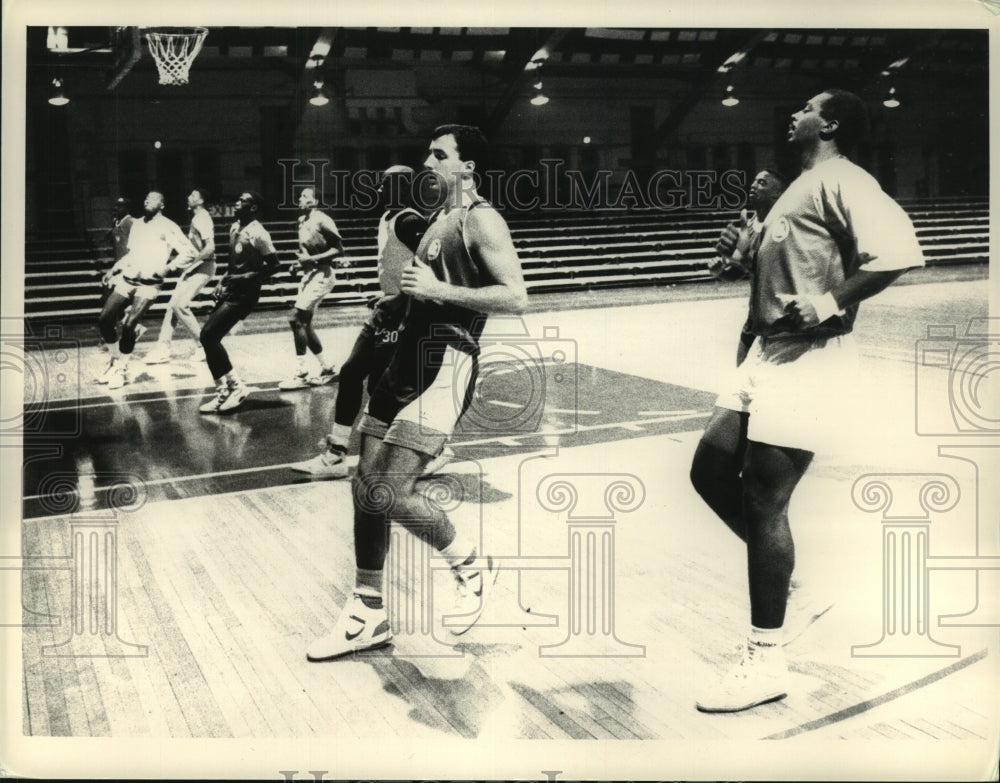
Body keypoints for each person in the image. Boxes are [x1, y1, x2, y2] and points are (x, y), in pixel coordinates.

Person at [690, 89, 924, 714]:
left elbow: (899, 253)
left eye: (807, 107)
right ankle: (793, 585)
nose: (794, 111)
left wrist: (829, 303)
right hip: (765, 355)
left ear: (833, 123)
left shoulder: (845, 179)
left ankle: (765, 657)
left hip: (809, 358)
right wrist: (743, 262)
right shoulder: (797, 187)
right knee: (710, 470)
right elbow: (797, 274)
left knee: (766, 499)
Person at [306, 125, 528, 661]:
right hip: (403, 362)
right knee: (364, 487)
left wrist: (433, 290)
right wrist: (398, 304)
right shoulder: (436, 220)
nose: (426, 161)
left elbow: (515, 295)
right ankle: (367, 613)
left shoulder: (482, 219)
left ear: (467, 166)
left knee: (393, 491)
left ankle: (472, 565)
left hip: (444, 365)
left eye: (439, 154)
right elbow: (423, 296)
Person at [292, 165, 428, 477]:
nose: (379, 190)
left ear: (404, 188)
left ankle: (432, 448)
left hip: (406, 313)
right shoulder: (388, 218)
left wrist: (398, 298)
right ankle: (337, 452)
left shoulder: (409, 220)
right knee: (353, 373)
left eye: (385, 184)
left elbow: (433, 269)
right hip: (386, 312)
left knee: (384, 386)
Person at [96, 191, 198, 390]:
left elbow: (190, 252)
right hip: (128, 279)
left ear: (162, 204)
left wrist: (169, 267)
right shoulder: (138, 225)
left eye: (152, 198)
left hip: (149, 284)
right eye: (145, 198)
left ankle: (122, 367)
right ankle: (115, 361)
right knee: (105, 319)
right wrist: (114, 269)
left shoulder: (168, 226)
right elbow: (131, 254)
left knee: (130, 324)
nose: (147, 200)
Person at [198, 191, 280, 414]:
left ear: (253, 208)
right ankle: (223, 391)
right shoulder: (234, 227)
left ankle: (236, 387)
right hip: (231, 290)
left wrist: (244, 278)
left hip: (246, 295)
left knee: (208, 335)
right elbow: (235, 263)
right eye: (238, 199)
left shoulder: (259, 233)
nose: (237, 203)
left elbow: (274, 265)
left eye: (243, 201)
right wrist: (222, 280)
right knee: (209, 339)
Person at [707, 168, 787, 365]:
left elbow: (773, 272)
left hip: (781, 325)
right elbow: (740, 272)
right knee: (740, 386)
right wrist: (721, 273)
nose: (754, 185)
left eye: (762, 183)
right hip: (754, 323)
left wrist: (741, 255)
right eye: (754, 180)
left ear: (777, 193)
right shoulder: (749, 227)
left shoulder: (783, 227)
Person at [277, 186, 342, 390]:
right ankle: (328, 368)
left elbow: (339, 249)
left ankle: (301, 373)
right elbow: (305, 252)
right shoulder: (301, 221)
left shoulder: (323, 219)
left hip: (323, 274)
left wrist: (310, 259)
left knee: (295, 319)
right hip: (310, 274)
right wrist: (298, 264)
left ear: (315, 201)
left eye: (305, 196)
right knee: (305, 324)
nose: (300, 198)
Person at [144, 188, 218, 365]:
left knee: (179, 305)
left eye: (192, 195)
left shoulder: (203, 218)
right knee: (172, 306)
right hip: (198, 266)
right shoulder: (197, 217)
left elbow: (210, 247)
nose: (188, 197)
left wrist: (192, 263)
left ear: (201, 201)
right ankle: (163, 347)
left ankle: (204, 346)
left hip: (204, 266)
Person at [97, 196, 139, 352]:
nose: (115, 209)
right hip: (118, 268)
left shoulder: (132, 223)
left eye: (120, 206)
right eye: (115, 206)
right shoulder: (116, 222)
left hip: (128, 269)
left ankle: (108, 338)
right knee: (109, 301)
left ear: (127, 209)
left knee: (110, 300)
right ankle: (135, 327)